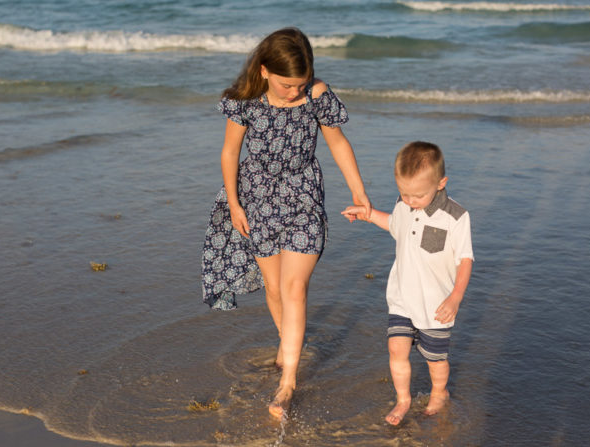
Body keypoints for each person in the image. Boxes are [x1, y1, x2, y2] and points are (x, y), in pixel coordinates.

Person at [201, 27, 371, 420]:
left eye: (300, 83)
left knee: (294, 288)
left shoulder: (316, 95)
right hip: (256, 200)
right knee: (274, 289)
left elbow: (338, 142)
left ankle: (288, 383)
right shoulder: (246, 101)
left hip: (303, 197)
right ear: (264, 71)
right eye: (286, 84)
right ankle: (287, 344)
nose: (294, 91)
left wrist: (359, 192)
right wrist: (234, 203)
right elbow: (230, 153)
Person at [342, 141, 473, 425]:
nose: (409, 200)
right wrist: (368, 214)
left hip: (436, 306)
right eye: (403, 193)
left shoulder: (456, 217)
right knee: (396, 350)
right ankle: (403, 399)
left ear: (441, 183)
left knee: (435, 360)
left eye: (417, 195)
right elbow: (393, 224)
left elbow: (466, 260)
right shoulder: (404, 204)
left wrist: (455, 297)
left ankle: (439, 393)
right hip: (401, 298)